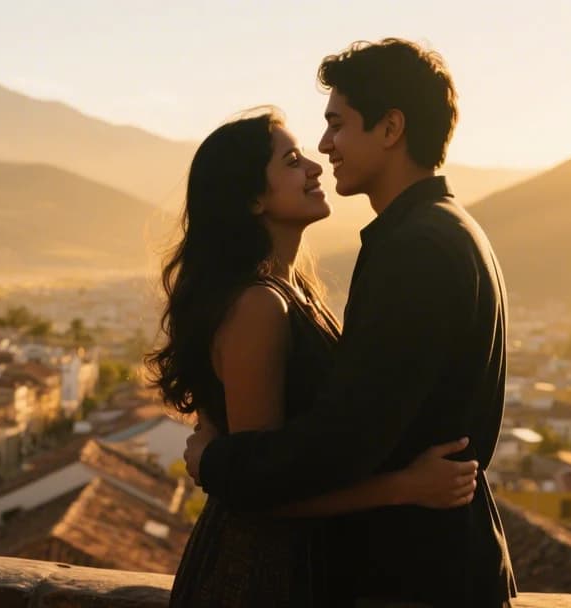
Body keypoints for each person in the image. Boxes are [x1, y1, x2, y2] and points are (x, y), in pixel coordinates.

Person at [182, 39, 517, 607]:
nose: (324, 146)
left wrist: (214, 461)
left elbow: (338, 443)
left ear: (390, 129)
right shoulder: (440, 231)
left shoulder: (416, 248)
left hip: (418, 580)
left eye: (337, 124)